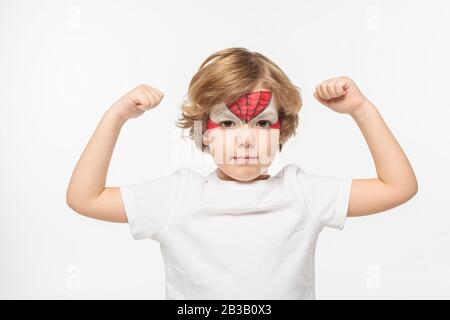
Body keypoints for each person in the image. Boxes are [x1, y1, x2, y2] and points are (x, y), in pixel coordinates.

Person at [66, 47, 418, 299]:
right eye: (228, 122)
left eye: (263, 122)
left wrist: (361, 109)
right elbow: (85, 198)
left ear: (281, 131)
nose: (246, 139)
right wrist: (116, 117)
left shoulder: (302, 194)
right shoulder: (178, 197)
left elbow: (398, 186)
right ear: (205, 130)